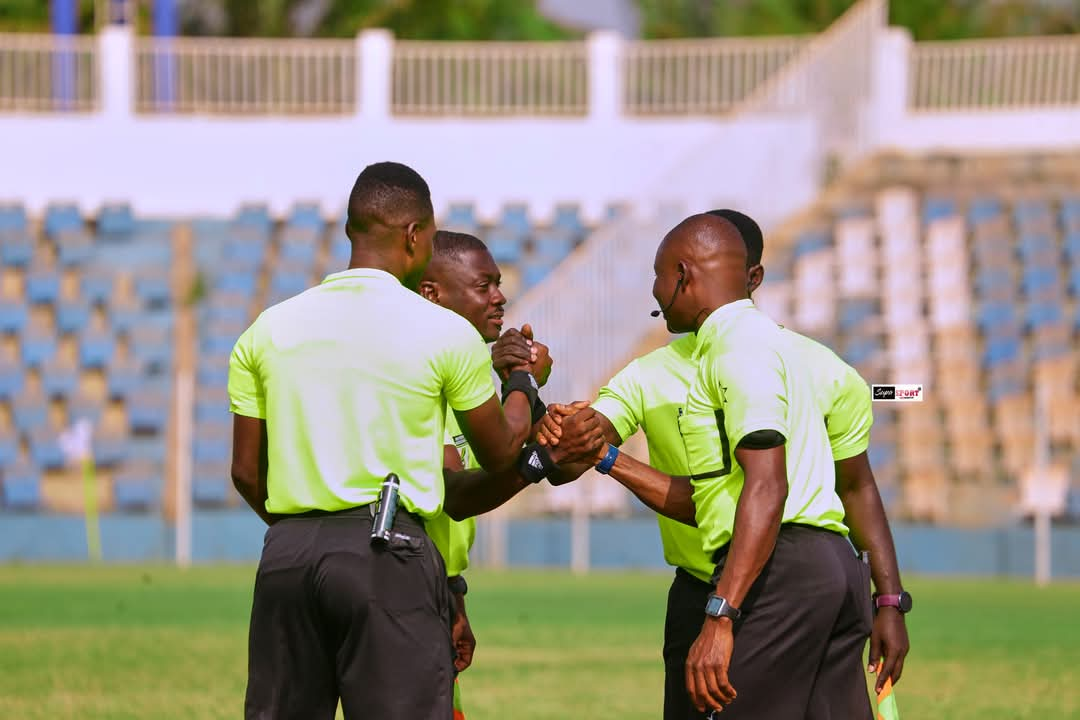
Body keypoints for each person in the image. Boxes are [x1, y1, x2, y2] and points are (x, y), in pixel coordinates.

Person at [540, 210, 909, 718]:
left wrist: (721, 614)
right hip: (799, 572)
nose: (652, 290)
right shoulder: (704, 363)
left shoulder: (744, 350)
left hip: (765, 577)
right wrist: (570, 432)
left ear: (684, 275)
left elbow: (781, 488)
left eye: (657, 274)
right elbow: (712, 499)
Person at [229, 161, 539, 720]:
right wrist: (521, 381)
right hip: (385, 549)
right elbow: (500, 452)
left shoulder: (266, 330)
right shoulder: (444, 332)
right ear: (416, 235)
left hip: (287, 554)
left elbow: (247, 473)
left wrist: (305, 532)